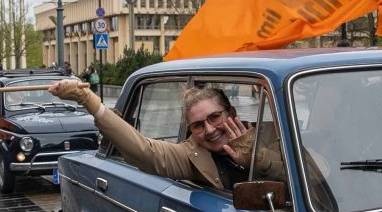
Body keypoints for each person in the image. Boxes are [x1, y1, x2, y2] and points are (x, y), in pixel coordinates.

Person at [48, 80, 282, 190]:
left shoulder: (274, 135)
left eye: (215, 117)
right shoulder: (193, 155)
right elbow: (145, 151)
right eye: (198, 125)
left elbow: (315, 184)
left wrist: (258, 158)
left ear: (231, 112)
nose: (210, 130)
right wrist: (88, 100)